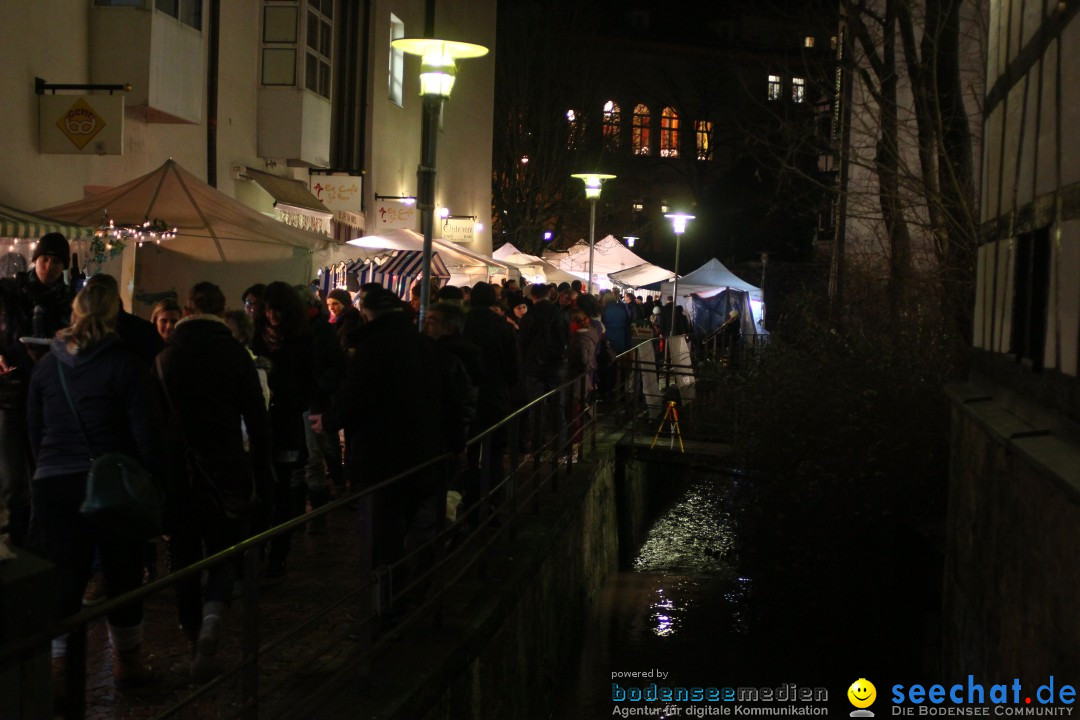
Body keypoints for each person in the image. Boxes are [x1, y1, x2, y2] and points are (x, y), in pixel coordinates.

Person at [27, 282, 166, 693]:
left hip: (55, 484)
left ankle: (58, 670)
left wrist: (49, 468)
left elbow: (34, 429)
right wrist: (156, 483)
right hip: (112, 485)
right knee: (123, 574)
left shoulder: (46, 366)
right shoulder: (126, 363)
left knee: (65, 578)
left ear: (75, 312)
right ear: (113, 314)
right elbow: (147, 431)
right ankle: (127, 662)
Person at [155, 281, 272, 680]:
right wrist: (261, 466)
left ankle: (191, 636)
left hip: (179, 470)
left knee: (184, 556)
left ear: (187, 310)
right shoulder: (235, 355)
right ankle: (211, 622)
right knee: (224, 548)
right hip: (225, 467)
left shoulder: (167, 357)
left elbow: (154, 422)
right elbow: (256, 419)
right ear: (222, 311)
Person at [310, 287, 448, 613]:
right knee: (410, 527)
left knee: (382, 537)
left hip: (380, 455)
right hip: (422, 452)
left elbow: (355, 396)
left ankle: (385, 609)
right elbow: (443, 395)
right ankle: (404, 596)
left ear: (367, 313)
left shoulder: (371, 348)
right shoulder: (425, 345)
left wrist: (329, 421)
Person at [0, 232, 74, 548]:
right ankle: (15, 546)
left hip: (49, 398)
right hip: (11, 392)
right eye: (44, 259)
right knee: (14, 481)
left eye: (56, 261)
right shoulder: (9, 292)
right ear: (35, 260)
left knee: (44, 477)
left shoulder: (70, 302)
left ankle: (39, 545)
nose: (48, 266)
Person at [253, 282, 316, 577]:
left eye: (277, 309)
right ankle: (260, 549)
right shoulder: (256, 339)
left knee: (282, 492)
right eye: (267, 309)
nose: (272, 315)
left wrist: (290, 396)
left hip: (286, 423)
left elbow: (308, 382)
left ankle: (277, 555)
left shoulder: (301, 341)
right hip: (259, 424)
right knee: (262, 491)